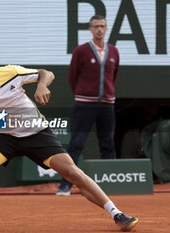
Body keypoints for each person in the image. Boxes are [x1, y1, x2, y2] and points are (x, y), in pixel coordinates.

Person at [0, 45, 138, 231]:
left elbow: (46, 73)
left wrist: (40, 86)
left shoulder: (10, 72)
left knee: (73, 172)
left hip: (36, 132)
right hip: (4, 138)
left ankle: (116, 214)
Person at [57, 15, 120, 196]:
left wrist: (106, 94)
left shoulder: (114, 51)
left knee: (107, 144)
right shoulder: (81, 51)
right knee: (76, 144)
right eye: (96, 26)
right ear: (90, 29)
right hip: (84, 104)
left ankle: (111, 186)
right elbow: (72, 77)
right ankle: (65, 186)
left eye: (102, 26)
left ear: (106, 29)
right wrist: (82, 93)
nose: (99, 29)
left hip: (107, 104)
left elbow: (113, 77)